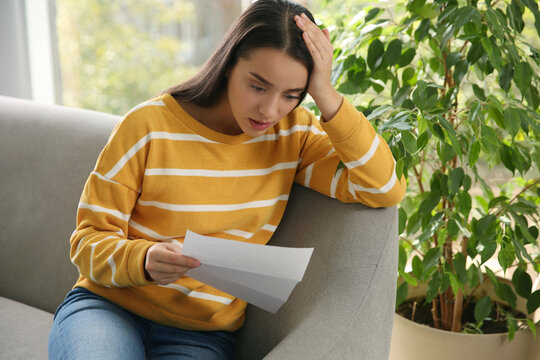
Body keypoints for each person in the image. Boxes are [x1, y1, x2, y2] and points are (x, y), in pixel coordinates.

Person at [48, 0, 406, 359]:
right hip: (109, 308)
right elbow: (86, 243)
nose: (270, 110)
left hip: (199, 335)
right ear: (228, 64)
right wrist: (143, 259)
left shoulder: (293, 137)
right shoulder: (147, 127)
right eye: (257, 86)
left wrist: (326, 95)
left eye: (291, 95)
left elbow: (383, 188)